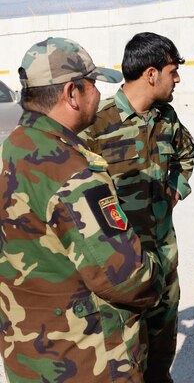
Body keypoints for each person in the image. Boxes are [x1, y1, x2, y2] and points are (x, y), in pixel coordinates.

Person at [0, 37, 165, 382]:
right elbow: (124, 277)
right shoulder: (74, 172)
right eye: (92, 86)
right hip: (87, 362)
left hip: (26, 358)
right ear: (72, 94)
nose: (98, 96)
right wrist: (157, 275)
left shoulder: (12, 149)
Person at [82, 32, 194, 383]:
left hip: (163, 255)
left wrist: (175, 188)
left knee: (162, 349)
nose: (177, 78)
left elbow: (186, 152)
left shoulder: (166, 116)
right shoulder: (96, 124)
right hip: (121, 264)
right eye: (173, 71)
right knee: (125, 357)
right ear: (151, 74)